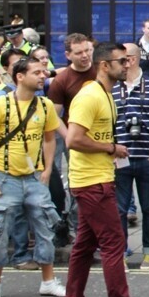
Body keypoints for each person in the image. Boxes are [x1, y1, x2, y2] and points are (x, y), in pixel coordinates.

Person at [0, 57, 67, 297]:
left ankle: (48, 281)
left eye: (43, 72)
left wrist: (46, 170)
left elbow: (50, 138)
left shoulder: (44, 105)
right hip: (5, 178)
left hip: (34, 178)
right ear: (19, 76)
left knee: (44, 228)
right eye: (36, 72)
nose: (43, 76)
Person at [64, 42, 133, 297]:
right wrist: (111, 148)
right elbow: (73, 139)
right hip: (93, 183)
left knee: (83, 247)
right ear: (105, 65)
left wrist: (111, 150)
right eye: (122, 61)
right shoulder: (90, 96)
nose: (127, 65)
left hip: (97, 180)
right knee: (114, 245)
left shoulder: (106, 95)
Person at [112, 43, 149, 270]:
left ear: (132, 59)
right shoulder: (112, 88)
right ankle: (121, 254)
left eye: (122, 59)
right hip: (120, 158)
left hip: (147, 158)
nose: (119, 63)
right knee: (119, 209)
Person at [47, 33, 97, 235]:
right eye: (79, 53)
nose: (85, 56)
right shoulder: (61, 81)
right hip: (77, 141)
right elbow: (54, 115)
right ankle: (80, 232)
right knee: (79, 187)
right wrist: (69, 136)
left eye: (87, 50)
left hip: (103, 138)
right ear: (68, 55)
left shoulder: (101, 71)